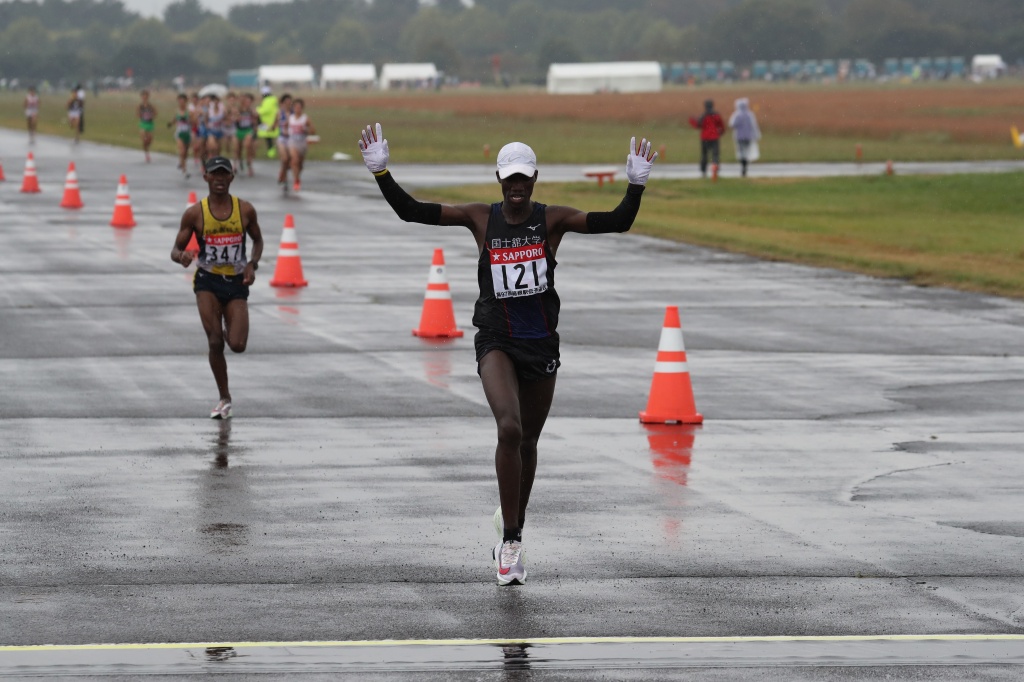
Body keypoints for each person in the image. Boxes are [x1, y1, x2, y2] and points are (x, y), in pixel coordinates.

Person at [358, 122, 658, 586]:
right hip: (495, 340)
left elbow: (616, 221)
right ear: (499, 181)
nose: (517, 187)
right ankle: (511, 544)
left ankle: (510, 516)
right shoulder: (481, 219)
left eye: (524, 179)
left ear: (534, 179)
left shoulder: (551, 220)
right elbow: (412, 212)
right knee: (509, 426)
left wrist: (635, 186)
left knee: (529, 443)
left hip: (540, 345)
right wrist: (382, 174)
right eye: (509, 179)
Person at [170, 156, 264, 420]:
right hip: (207, 282)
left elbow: (257, 241)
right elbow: (175, 250)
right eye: (215, 174)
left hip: (236, 282)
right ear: (206, 178)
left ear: (232, 177)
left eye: (225, 174)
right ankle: (224, 398)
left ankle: (226, 326)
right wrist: (183, 257)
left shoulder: (244, 210)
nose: (220, 179)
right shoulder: (195, 214)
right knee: (214, 342)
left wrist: (252, 265)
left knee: (237, 344)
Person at [688, 99, 725, 178]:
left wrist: (691, 120)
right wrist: (720, 132)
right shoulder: (716, 115)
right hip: (714, 137)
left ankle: (703, 171)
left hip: (705, 138)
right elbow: (721, 125)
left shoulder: (704, 116)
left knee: (704, 155)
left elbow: (698, 125)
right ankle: (715, 170)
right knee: (715, 155)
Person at [286, 98, 315, 192]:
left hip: (302, 143)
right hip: (292, 142)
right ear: (293, 108)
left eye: (299, 107)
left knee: (300, 164)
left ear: (302, 108)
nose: (297, 109)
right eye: (296, 107)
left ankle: (297, 175)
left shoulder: (305, 118)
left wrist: (306, 130)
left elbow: (313, 131)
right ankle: (296, 180)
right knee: (295, 160)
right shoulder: (290, 118)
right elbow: (285, 128)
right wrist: (286, 131)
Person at [728, 97, 761, 178]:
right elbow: (754, 126)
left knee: (741, 152)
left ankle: (743, 165)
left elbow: (732, 124)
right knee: (746, 152)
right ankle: (745, 165)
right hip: (748, 136)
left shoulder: (737, 115)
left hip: (739, 137)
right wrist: (756, 135)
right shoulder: (749, 115)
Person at [168, 93, 193, 178]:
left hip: (187, 134)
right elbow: (174, 119)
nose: (181, 103)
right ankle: (184, 170)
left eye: (183, 101)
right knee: (182, 151)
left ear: (185, 102)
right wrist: (170, 124)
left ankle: (181, 162)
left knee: (185, 153)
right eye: (179, 101)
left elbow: (194, 122)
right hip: (179, 134)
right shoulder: (177, 111)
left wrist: (188, 120)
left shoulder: (189, 112)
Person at [273, 93, 293, 192]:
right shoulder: (279, 113)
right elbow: (275, 124)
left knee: (289, 161)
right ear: (282, 103)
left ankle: (282, 173)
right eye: (286, 103)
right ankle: (283, 178)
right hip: (282, 138)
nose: (288, 104)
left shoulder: (294, 113)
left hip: (292, 139)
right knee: (285, 159)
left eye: (290, 102)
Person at [234, 93, 257, 177]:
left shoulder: (251, 110)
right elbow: (234, 119)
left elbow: (255, 120)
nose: (248, 103)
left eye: (249, 102)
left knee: (247, 146)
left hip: (248, 130)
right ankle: (236, 164)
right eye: (246, 101)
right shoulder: (238, 110)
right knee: (237, 149)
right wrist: (237, 117)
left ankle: (249, 166)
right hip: (239, 130)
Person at [256, 85, 279, 159]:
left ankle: (271, 154)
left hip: (268, 123)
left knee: (269, 140)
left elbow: (265, 110)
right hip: (269, 122)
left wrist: (257, 110)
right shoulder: (272, 99)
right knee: (269, 139)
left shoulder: (268, 100)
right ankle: (271, 153)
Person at [137, 89, 158, 163]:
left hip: (150, 124)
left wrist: (151, 116)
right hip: (143, 124)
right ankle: (147, 154)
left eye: (146, 96)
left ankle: (147, 148)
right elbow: (137, 114)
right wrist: (141, 115)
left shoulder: (150, 106)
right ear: (141, 97)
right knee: (144, 139)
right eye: (143, 96)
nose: (144, 97)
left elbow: (155, 113)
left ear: (148, 97)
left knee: (149, 140)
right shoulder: (140, 106)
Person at [206, 94, 227, 159]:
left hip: (220, 130)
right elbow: (206, 119)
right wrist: (207, 125)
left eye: (217, 101)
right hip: (211, 131)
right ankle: (210, 157)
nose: (216, 102)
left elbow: (226, 118)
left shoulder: (222, 109)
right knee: (213, 146)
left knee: (218, 148)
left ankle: (216, 160)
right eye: (214, 101)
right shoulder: (209, 109)